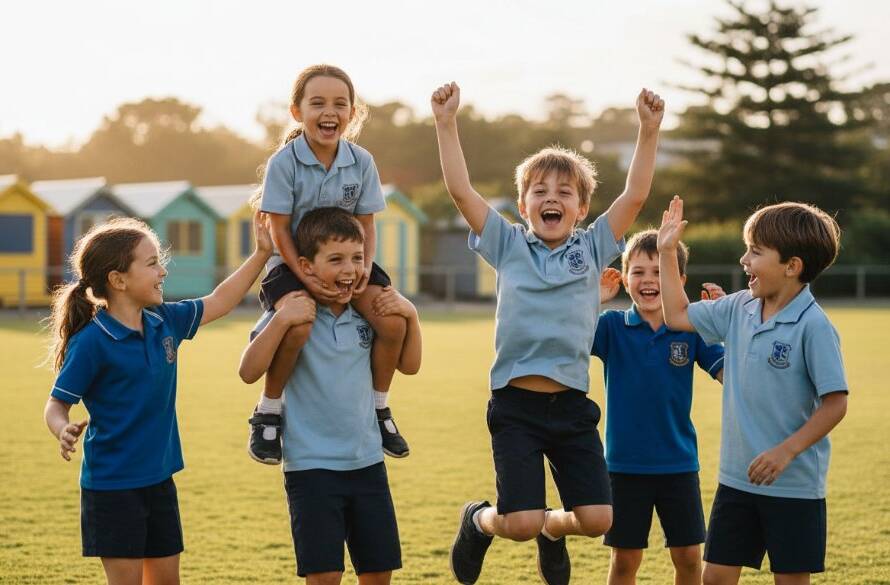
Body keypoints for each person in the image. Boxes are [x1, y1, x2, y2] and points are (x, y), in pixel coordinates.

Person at [432, 80, 664, 585]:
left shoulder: (594, 247)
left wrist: (648, 132)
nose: (551, 198)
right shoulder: (508, 244)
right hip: (516, 406)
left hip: (571, 408)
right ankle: (477, 521)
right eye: (540, 192)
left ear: (581, 209)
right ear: (523, 205)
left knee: (599, 519)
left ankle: (553, 533)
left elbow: (636, 194)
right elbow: (460, 191)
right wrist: (446, 125)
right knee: (517, 524)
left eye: (564, 193)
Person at [44, 213, 273, 585]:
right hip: (113, 488)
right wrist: (62, 428)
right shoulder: (92, 341)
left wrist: (262, 253)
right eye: (152, 263)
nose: (162, 272)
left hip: (159, 480)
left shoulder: (164, 321)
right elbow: (56, 403)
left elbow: (220, 301)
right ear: (118, 280)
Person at [657, 196, 848, 585]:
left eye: (755, 252)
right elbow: (676, 315)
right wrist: (666, 253)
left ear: (792, 267)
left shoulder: (814, 326)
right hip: (736, 479)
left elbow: (836, 404)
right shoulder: (739, 307)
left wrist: (785, 452)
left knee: (790, 580)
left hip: (793, 486)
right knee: (715, 578)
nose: (744, 260)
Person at [239, 208, 422, 584]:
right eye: (335, 260)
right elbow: (248, 371)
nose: (349, 270)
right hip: (311, 468)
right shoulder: (296, 314)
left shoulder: (367, 315)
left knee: (378, 575)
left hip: (367, 464)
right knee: (325, 577)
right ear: (306, 266)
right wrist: (282, 318)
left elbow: (411, 365)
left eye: (357, 258)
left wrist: (412, 314)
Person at [248, 64, 410, 465]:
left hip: (348, 262)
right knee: (299, 324)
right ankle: (268, 411)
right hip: (295, 263)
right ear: (297, 111)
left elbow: (367, 224)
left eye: (340, 104)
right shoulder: (284, 163)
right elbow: (280, 229)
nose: (329, 112)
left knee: (392, 322)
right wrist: (303, 274)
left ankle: (380, 407)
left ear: (352, 114)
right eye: (317, 103)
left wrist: (363, 270)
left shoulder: (361, 161)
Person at [595, 230, 724, 585]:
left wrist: (727, 321)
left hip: (678, 463)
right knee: (624, 562)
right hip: (624, 466)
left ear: (678, 280)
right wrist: (594, 300)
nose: (649, 280)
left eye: (659, 272)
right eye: (639, 272)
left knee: (688, 558)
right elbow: (564, 334)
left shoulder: (693, 329)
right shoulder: (611, 326)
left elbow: (733, 375)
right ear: (624, 278)